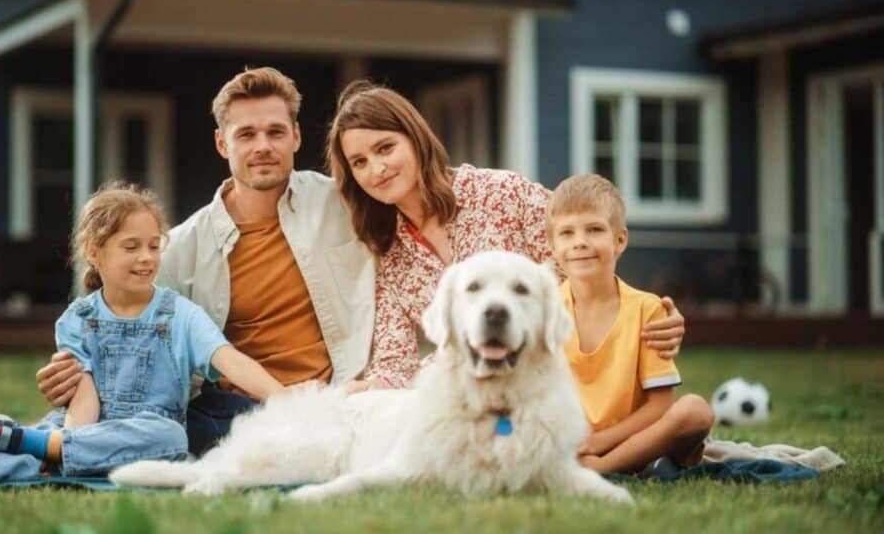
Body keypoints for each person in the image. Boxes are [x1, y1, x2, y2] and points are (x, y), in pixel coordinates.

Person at [35, 68, 375, 453]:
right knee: (143, 428)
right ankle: (20, 442)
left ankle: (37, 444)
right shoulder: (181, 248)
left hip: (335, 396)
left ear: (295, 137)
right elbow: (131, 336)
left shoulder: (346, 205)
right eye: (246, 134)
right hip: (232, 412)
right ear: (221, 143)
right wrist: (76, 375)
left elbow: (420, 194)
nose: (262, 145)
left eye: (275, 132)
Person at [0, 181, 283, 490]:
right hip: (81, 427)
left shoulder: (181, 314)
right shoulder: (77, 320)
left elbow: (228, 359)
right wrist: (74, 445)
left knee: (170, 436)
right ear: (94, 251)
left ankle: (19, 441)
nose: (147, 258)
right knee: (49, 445)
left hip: (144, 432)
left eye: (154, 246)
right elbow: (83, 397)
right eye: (131, 247)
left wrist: (287, 399)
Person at [324, 81, 686, 391]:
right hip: (476, 389)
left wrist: (647, 318)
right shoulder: (388, 252)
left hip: (570, 368)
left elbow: (588, 261)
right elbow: (394, 361)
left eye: (385, 148)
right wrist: (371, 389)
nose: (377, 169)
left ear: (415, 139)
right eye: (359, 162)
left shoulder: (501, 192)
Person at [549, 174, 713, 473]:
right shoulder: (544, 311)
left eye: (594, 229)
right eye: (567, 233)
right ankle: (649, 461)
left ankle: (600, 469)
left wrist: (599, 444)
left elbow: (660, 406)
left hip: (629, 435)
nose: (580, 242)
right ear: (552, 245)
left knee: (695, 411)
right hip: (568, 439)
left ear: (619, 240)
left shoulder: (647, 309)